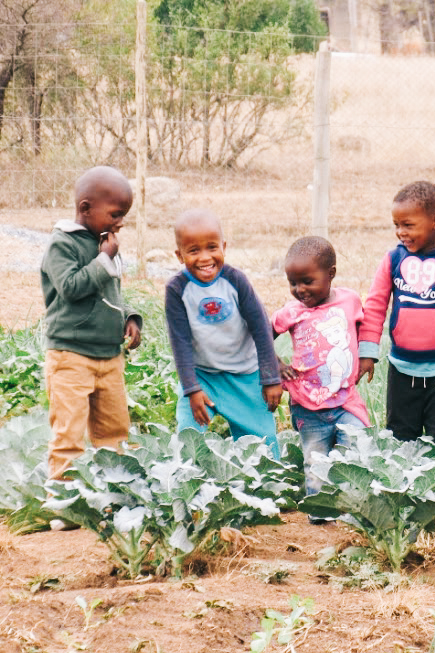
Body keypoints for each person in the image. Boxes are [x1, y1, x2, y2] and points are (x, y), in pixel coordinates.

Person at [40, 166, 142, 480]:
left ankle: (113, 489)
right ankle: (65, 500)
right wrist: (102, 260)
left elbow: (111, 291)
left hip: (109, 357)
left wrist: (129, 317)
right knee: (69, 433)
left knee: (114, 431)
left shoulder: (104, 241)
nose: (120, 222)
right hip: (71, 355)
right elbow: (70, 288)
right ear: (86, 208)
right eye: (115, 214)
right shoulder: (63, 244)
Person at [358, 181, 435, 444]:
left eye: (408, 225)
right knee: (400, 438)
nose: (401, 232)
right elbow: (375, 305)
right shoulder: (393, 260)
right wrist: (367, 352)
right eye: (396, 225)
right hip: (402, 369)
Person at [165, 209, 282, 453]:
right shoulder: (177, 289)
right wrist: (192, 389)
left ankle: (269, 492)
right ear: (179, 255)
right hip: (203, 377)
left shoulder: (235, 281)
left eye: (212, 247)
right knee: (187, 443)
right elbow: (180, 342)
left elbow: (261, 329)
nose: (205, 258)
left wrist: (270, 378)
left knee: (263, 449)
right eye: (194, 251)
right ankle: (186, 487)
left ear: (224, 247)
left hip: (245, 375)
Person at [272, 236, 369, 496]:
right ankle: (319, 512)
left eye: (307, 281)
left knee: (358, 448)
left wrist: (366, 355)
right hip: (308, 406)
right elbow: (261, 336)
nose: (300, 290)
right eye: (293, 283)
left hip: (346, 400)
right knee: (316, 463)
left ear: (331, 274)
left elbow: (366, 326)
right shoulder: (292, 312)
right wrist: (277, 364)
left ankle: (352, 503)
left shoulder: (349, 300)